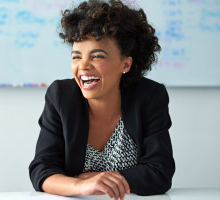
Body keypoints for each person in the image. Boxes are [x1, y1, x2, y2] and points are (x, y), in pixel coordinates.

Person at [29, 0, 175, 199]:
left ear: (126, 64)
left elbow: (160, 173)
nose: (83, 66)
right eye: (76, 57)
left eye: (97, 56)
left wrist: (100, 179)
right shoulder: (60, 96)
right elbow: (42, 170)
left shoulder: (150, 96)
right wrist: (81, 187)